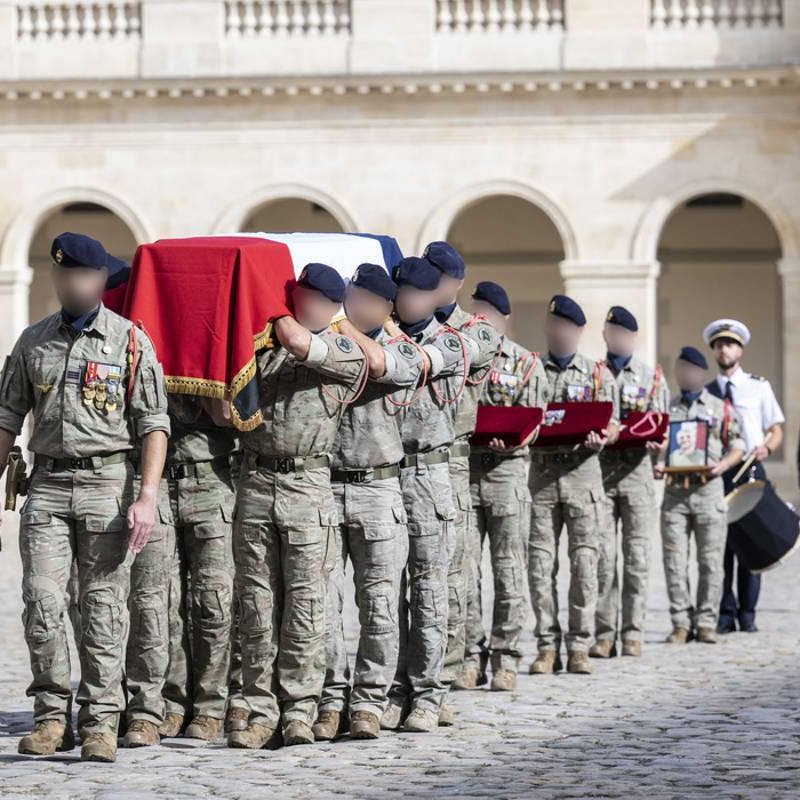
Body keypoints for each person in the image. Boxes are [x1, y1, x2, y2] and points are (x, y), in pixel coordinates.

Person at [0, 232, 170, 763]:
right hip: (48, 486)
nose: (72, 284)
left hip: (107, 487)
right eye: (64, 274)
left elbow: (154, 424)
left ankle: (100, 720)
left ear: (100, 280)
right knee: (42, 602)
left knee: (102, 609)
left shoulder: (130, 341)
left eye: (82, 275)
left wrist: (146, 496)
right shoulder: (33, 342)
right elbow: (7, 418)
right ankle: (52, 717)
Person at [228, 263, 366, 750]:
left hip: (307, 487)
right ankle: (261, 711)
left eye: (318, 301)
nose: (309, 306)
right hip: (256, 480)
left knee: (306, 607)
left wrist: (266, 300)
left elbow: (302, 344)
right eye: (301, 296)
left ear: (332, 307)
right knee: (257, 606)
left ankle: (301, 710)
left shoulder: (345, 350)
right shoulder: (263, 348)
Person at [313, 264, 427, 742]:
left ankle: (368, 702)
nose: (355, 306)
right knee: (322, 605)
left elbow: (380, 365)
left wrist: (341, 327)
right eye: (351, 297)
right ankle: (331, 700)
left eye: (365, 301)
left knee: (379, 605)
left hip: (378, 490)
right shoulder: (326, 341)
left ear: (386, 308)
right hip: (324, 484)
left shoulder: (403, 349)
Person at [383, 256, 468, 733]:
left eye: (417, 294)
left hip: (429, 477)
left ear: (433, 297)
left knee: (430, 591)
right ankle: (395, 689)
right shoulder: (381, 337)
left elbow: (407, 366)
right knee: (387, 594)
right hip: (387, 476)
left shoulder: (449, 342)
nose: (408, 302)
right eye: (402, 294)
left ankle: (430, 694)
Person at [457, 282, 549, 692]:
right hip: (466, 471)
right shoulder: (460, 355)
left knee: (509, 569)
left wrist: (513, 437)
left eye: (488, 314)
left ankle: (506, 657)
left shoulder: (526, 363)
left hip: (507, 474)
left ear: (504, 318)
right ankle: (470, 657)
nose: (481, 320)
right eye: (475, 312)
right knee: (465, 571)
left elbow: (535, 420)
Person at [423, 242, 501, 721]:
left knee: (451, 577)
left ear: (455, 284)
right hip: (406, 462)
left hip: (451, 462)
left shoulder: (475, 332)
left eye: (438, 279)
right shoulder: (398, 324)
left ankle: (444, 679)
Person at [528, 295, 619, 675]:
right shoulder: (531, 369)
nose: (560, 332)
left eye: (567, 326)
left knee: (585, 564)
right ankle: (547, 646)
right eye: (555, 325)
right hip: (542, 479)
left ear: (579, 330)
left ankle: (579, 644)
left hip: (583, 477)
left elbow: (613, 424)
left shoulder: (598, 375)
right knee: (539, 566)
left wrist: (605, 437)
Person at [151, 395, 239, 744]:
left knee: (212, 604)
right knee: (163, 603)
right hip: (156, 481)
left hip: (210, 478)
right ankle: (172, 702)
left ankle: (210, 706)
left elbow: (230, 416)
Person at [591, 306, 669, 659]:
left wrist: (660, 447)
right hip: (602, 475)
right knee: (604, 559)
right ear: (605, 335)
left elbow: (662, 427)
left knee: (637, 559)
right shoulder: (593, 374)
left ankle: (633, 631)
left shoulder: (651, 378)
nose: (618, 338)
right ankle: (605, 634)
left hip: (637, 476)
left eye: (624, 334)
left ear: (633, 338)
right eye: (613, 332)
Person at [702, 319, 785, 634]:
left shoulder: (758, 386)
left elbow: (775, 429)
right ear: (713, 351)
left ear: (740, 349)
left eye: (730, 344)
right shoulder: (706, 393)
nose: (724, 350)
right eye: (719, 345)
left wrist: (768, 447)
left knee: (752, 541)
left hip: (750, 470)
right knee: (720, 547)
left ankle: (748, 612)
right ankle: (725, 613)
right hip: (718, 475)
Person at [660, 346, 744, 645]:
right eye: (680, 369)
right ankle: (681, 623)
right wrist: (658, 462)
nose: (685, 374)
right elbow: (658, 446)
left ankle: (706, 621)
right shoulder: (667, 407)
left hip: (709, 492)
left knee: (710, 562)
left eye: (690, 370)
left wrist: (724, 464)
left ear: (701, 373)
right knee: (674, 562)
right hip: (675, 494)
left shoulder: (720, 408)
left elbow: (738, 444)